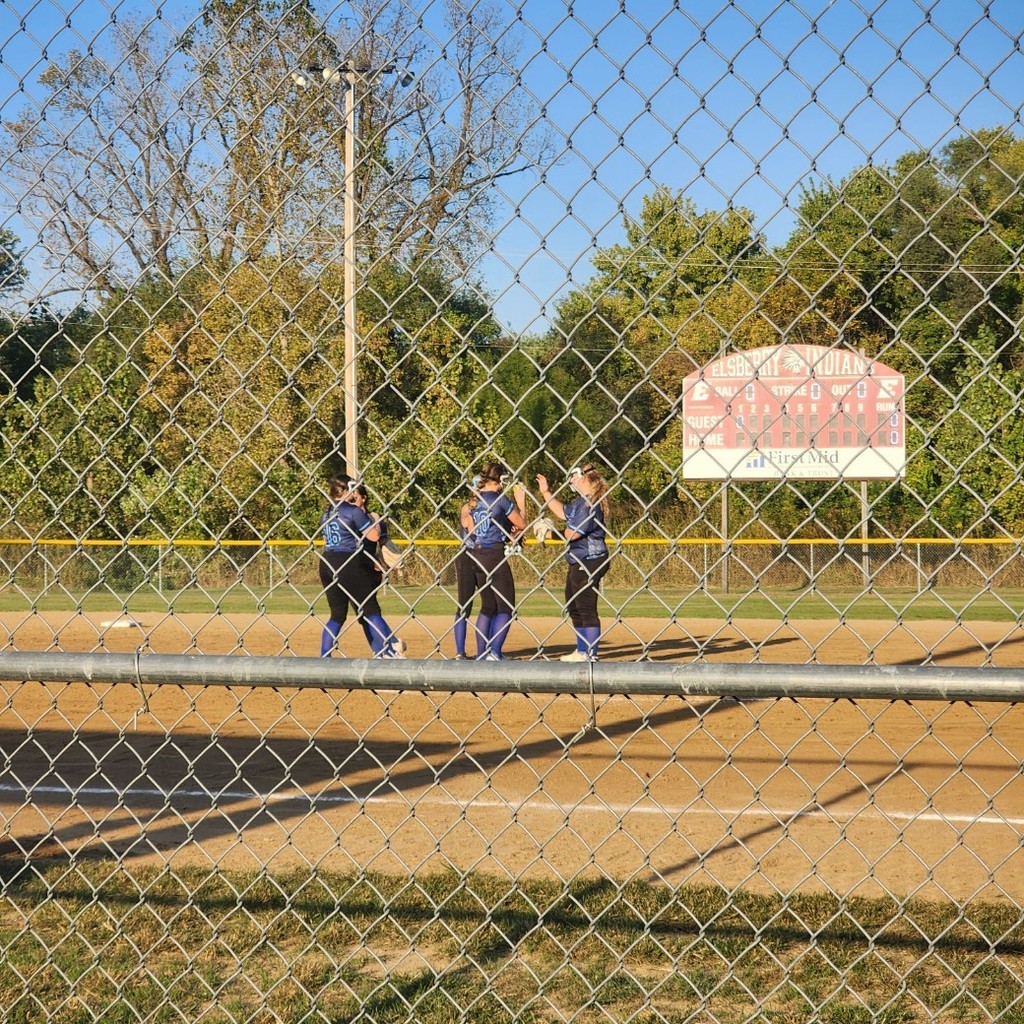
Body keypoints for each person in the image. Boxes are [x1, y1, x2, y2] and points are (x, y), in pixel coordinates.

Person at [318, 474, 405, 659]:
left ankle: (324, 656)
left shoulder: (326, 513)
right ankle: (389, 652)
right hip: (347, 563)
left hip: (326, 561)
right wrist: (376, 524)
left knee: (337, 615)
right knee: (371, 609)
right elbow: (373, 536)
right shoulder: (352, 510)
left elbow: (326, 540)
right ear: (347, 489)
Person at [536, 463, 611, 662]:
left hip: (590, 559)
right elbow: (562, 512)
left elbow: (572, 534)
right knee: (574, 604)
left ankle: (590, 653)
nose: (571, 481)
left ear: (585, 478)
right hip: (580, 558)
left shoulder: (589, 504)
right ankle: (582, 650)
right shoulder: (581, 502)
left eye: (574, 477)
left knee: (585, 606)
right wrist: (546, 492)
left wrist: (548, 533)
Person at [461, 462, 526, 660]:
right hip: (493, 555)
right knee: (506, 606)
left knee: (489, 605)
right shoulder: (500, 499)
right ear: (500, 480)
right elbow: (521, 523)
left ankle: (483, 653)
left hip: (476, 554)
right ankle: (494, 652)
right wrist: (521, 501)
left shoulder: (475, 499)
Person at [452, 474, 481, 660]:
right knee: (464, 604)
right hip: (468, 557)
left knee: (491, 604)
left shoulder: (495, 505)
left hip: (487, 557)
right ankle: (460, 651)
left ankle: (486, 650)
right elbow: (467, 524)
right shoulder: (467, 507)